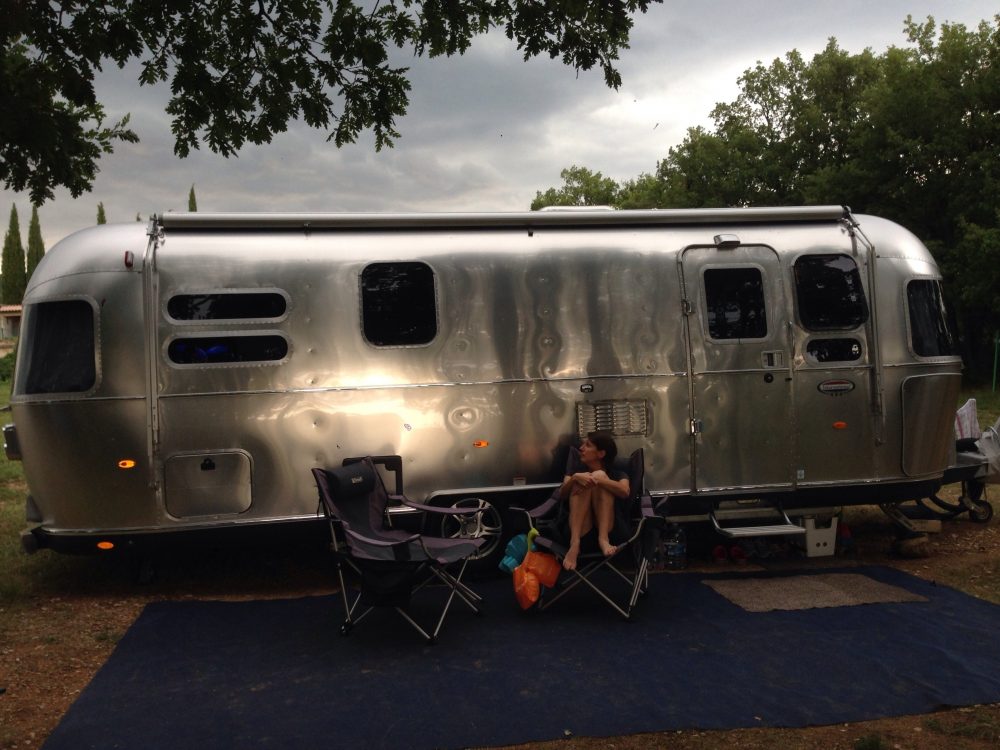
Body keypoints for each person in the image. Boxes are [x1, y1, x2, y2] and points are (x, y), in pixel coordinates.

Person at [558, 431, 629, 571]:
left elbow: (625, 491)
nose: (581, 448)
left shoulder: (618, 474)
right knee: (580, 479)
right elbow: (562, 494)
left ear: (601, 453)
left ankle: (603, 539)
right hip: (580, 533)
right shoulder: (575, 472)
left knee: (599, 475)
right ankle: (575, 543)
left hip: (611, 532)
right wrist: (575, 477)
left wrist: (597, 479)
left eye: (588, 445)